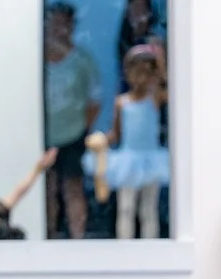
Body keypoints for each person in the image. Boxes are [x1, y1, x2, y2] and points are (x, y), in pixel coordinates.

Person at [83, 44, 169, 240]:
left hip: (151, 160)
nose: (141, 77)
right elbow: (117, 133)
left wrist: (160, 58)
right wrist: (102, 140)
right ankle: (125, 246)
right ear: (128, 74)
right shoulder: (122, 102)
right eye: (137, 72)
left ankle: (150, 247)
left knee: (148, 209)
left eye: (147, 72)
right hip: (127, 161)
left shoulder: (154, 98)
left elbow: (168, 85)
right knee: (126, 208)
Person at [43, 3, 101, 240]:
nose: (60, 29)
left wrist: (83, 131)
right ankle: (48, 234)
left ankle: (78, 239)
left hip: (73, 135)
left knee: (73, 188)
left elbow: (94, 100)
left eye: (65, 23)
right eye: (55, 22)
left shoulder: (83, 61)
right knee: (47, 189)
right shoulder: (34, 59)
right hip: (41, 135)